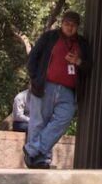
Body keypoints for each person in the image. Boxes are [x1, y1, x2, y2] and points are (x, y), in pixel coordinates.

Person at [24, 11, 93, 169]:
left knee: (64, 118)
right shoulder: (50, 37)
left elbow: (89, 66)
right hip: (45, 85)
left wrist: (78, 61)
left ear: (78, 27)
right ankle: (40, 160)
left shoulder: (82, 43)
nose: (70, 27)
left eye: (74, 25)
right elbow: (32, 58)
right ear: (62, 23)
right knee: (39, 122)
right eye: (67, 23)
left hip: (68, 90)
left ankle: (32, 150)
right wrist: (35, 79)